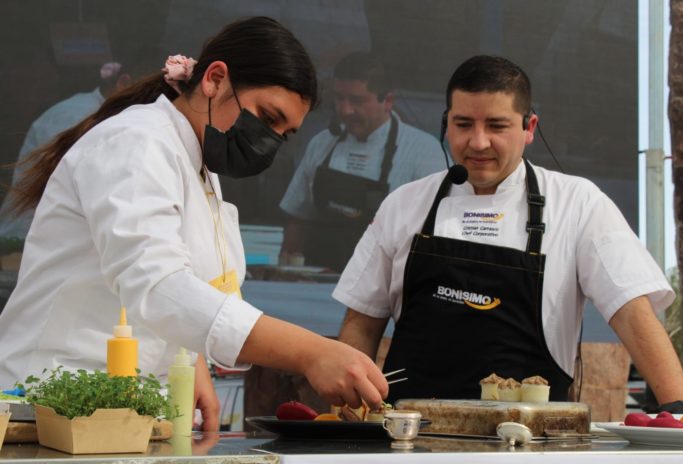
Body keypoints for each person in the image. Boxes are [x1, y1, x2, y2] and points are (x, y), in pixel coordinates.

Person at [0, 17, 388, 430]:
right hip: (45, 409)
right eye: (267, 117)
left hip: (121, 415)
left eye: (284, 133)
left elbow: (197, 286)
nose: (270, 141)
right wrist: (311, 352)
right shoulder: (137, 143)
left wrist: (190, 357)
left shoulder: (197, 164)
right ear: (215, 79)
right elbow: (158, 283)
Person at [334, 55, 683, 410]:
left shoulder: (579, 204)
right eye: (463, 124)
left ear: (529, 128)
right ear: (446, 124)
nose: (478, 142)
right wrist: (341, 419)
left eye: (496, 125)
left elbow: (633, 313)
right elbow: (362, 321)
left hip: (529, 444)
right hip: (409, 439)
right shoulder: (404, 204)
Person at [279, 52, 442, 271]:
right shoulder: (321, 144)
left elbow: (438, 235)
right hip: (316, 280)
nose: (345, 110)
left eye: (357, 100)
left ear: (388, 101)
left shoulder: (424, 152)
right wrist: (287, 271)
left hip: (385, 288)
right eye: (339, 98)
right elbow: (298, 216)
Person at [0, 62, 132, 240]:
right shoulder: (74, 115)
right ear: (124, 83)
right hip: (27, 237)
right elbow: (81, 187)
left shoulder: (123, 117)